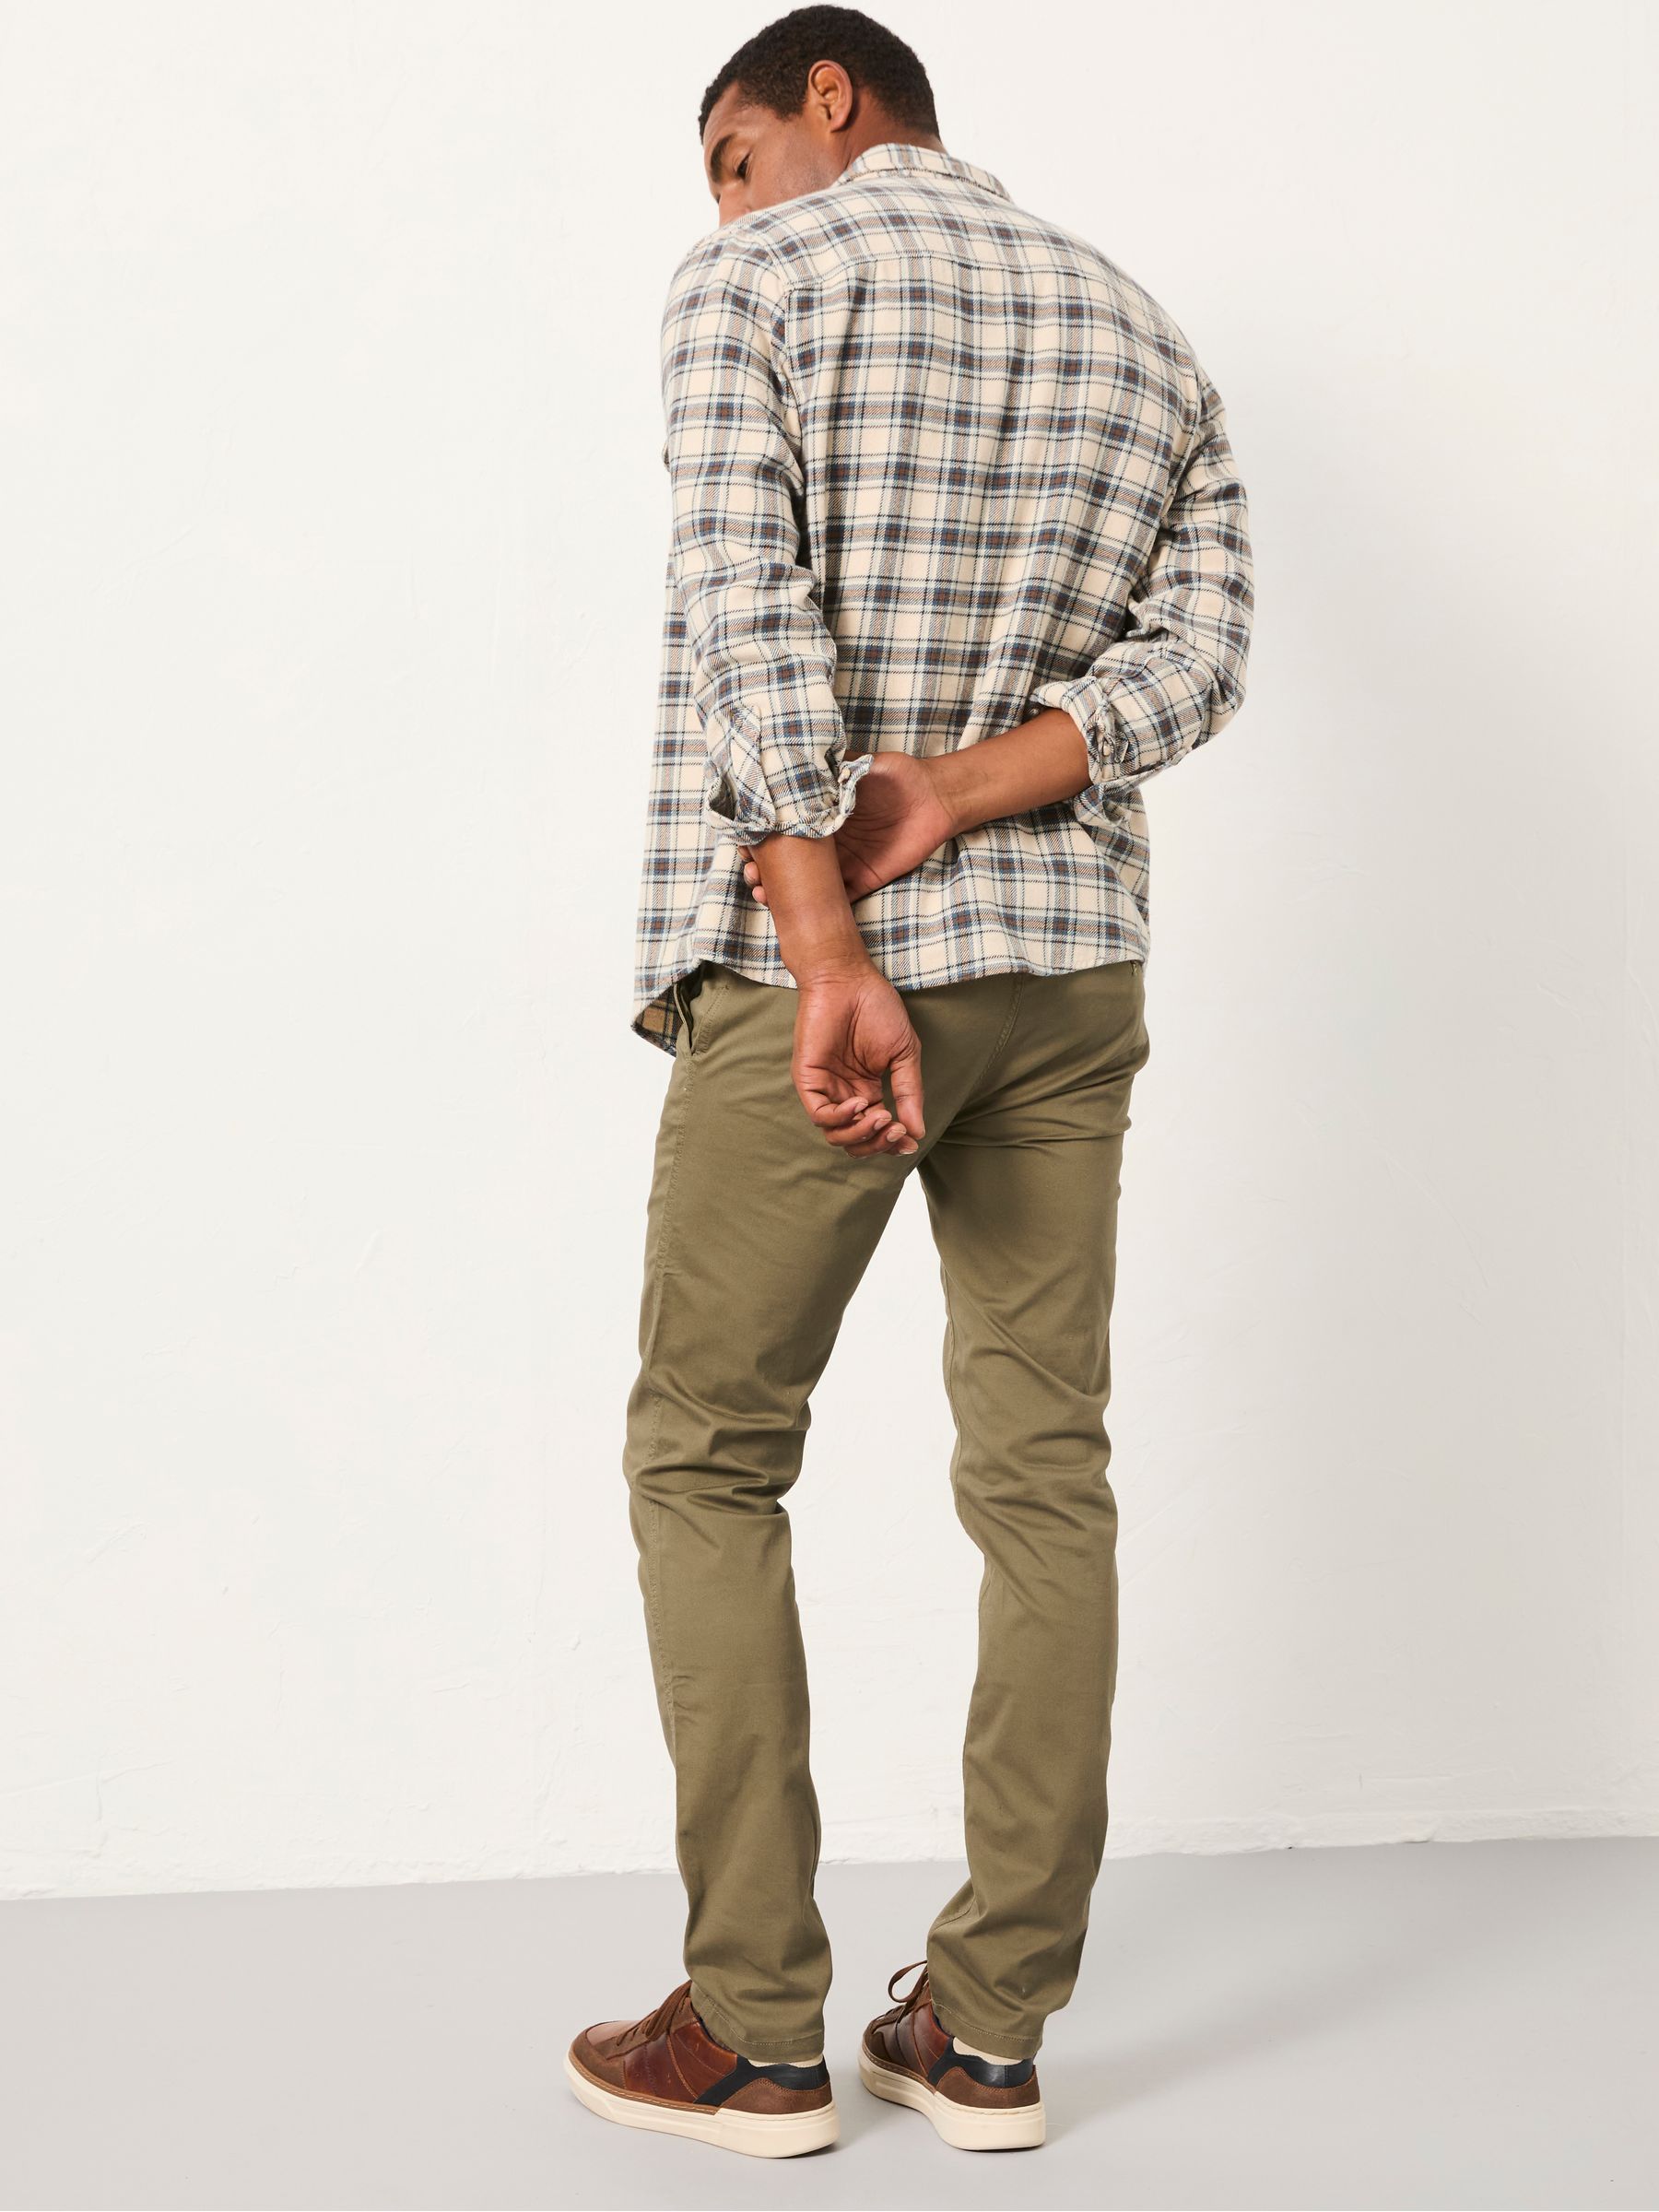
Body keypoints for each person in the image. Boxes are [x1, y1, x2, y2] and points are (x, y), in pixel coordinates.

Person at [564, 2, 1253, 2160]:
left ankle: (759, 2030)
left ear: (828, 99)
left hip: (834, 976)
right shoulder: (1141, 328)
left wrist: (833, 940)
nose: (727, 203)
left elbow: (744, 618)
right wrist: (967, 785)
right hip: (1072, 967)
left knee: (706, 1454)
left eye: (732, 154)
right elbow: (1202, 659)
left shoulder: (759, 283)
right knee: (1046, 1471)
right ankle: (988, 2029)